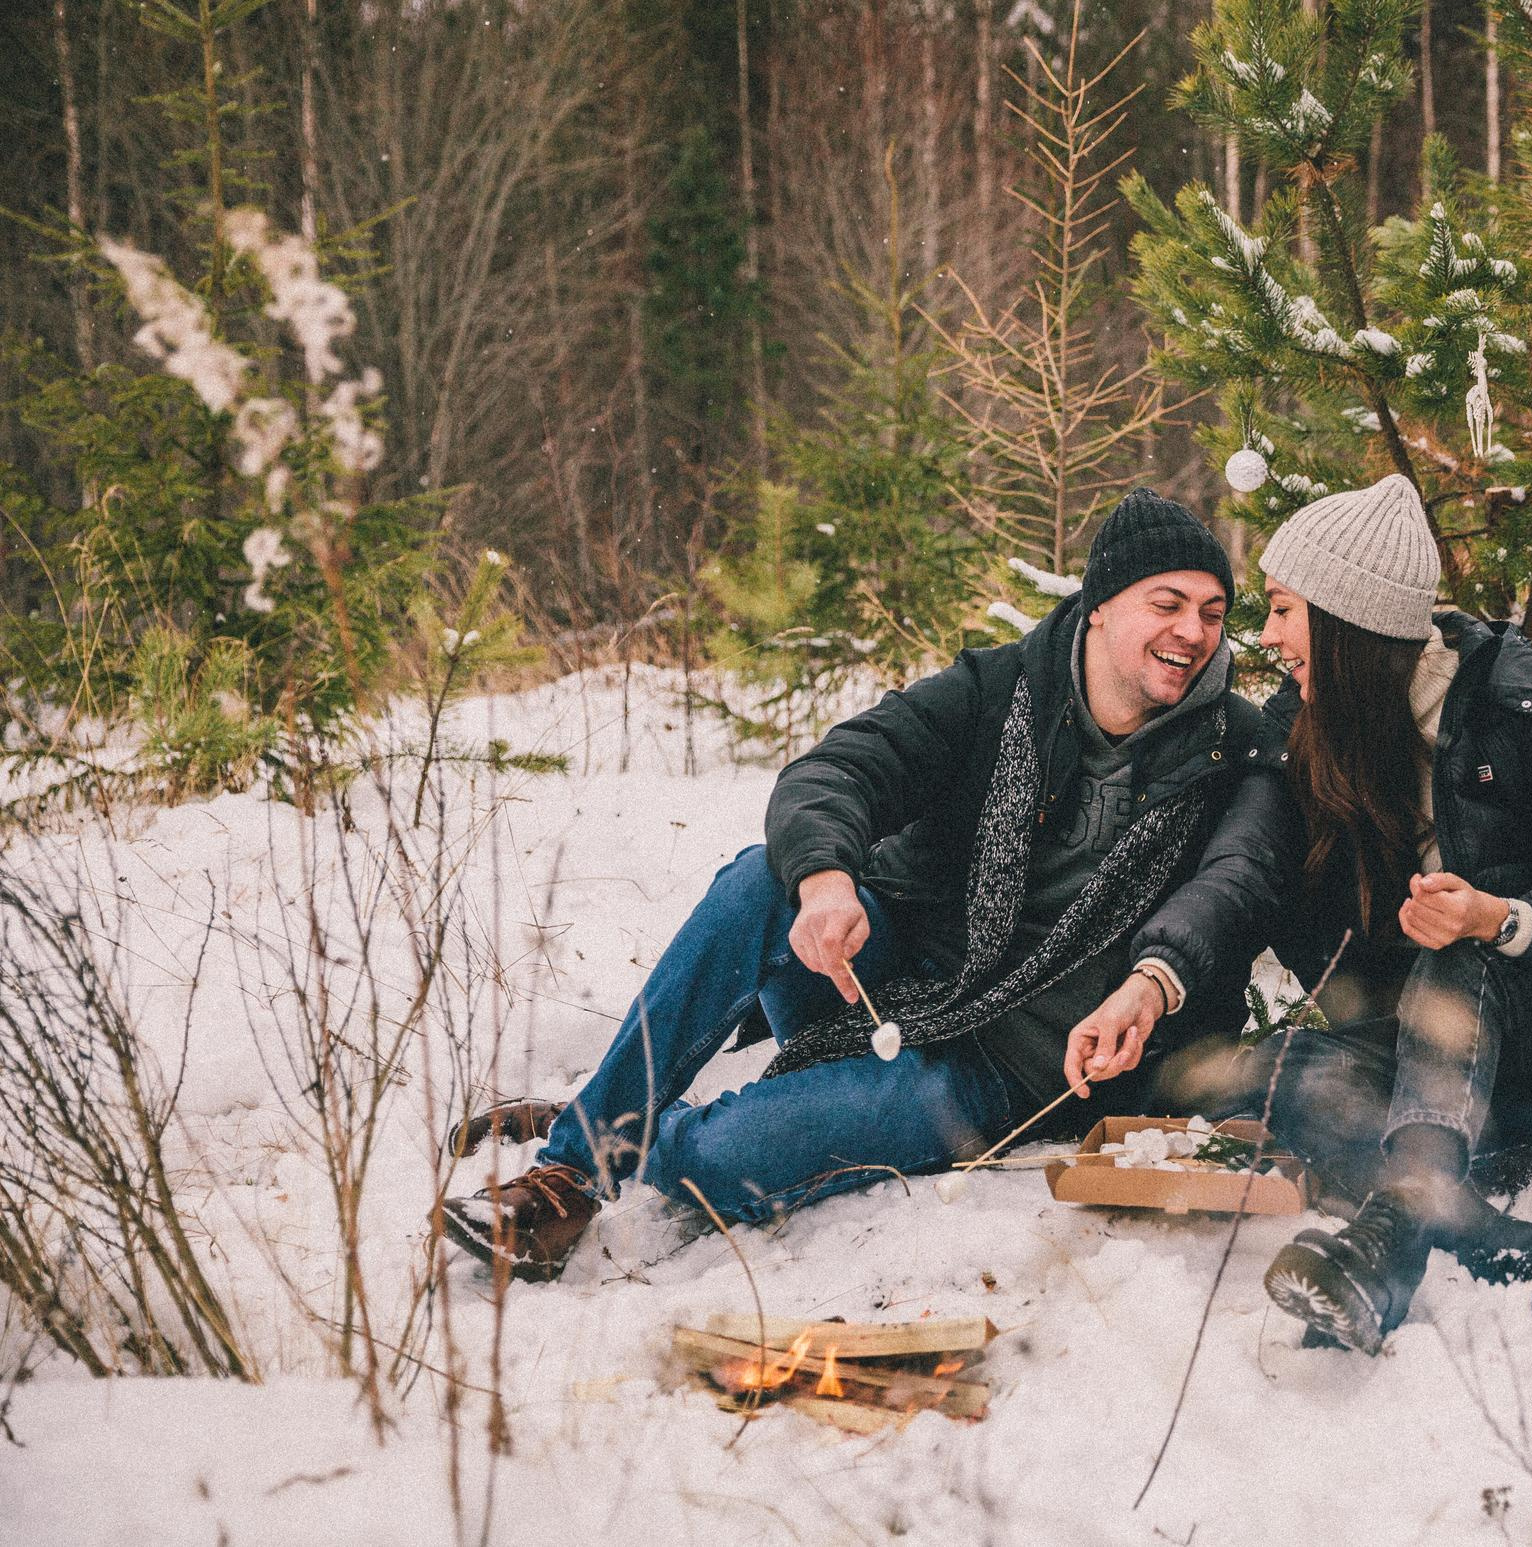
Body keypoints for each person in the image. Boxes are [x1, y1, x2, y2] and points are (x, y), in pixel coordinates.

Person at [441, 489, 1262, 1279]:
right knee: (764, 880)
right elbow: (841, 768)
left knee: (720, 1163)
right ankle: (572, 1170)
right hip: (885, 974)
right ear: (1102, 604)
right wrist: (827, 880)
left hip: (996, 1071)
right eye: (1168, 603)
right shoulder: (997, 691)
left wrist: (1156, 984)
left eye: (1212, 613)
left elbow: (1230, 882)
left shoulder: (1232, 751)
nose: (1192, 632)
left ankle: (621, 1112)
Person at [1077, 474, 1532, 1356]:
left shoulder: (1529, 711)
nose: (1268, 635)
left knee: (1460, 953)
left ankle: (1390, 1242)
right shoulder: (1303, 730)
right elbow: (1241, 872)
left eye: (1286, 610)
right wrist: (1155, 978)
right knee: (1269, 1068)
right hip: (1435, 1060)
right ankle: (1519, 1249)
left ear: (1350, 622)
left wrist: (1502, 918)